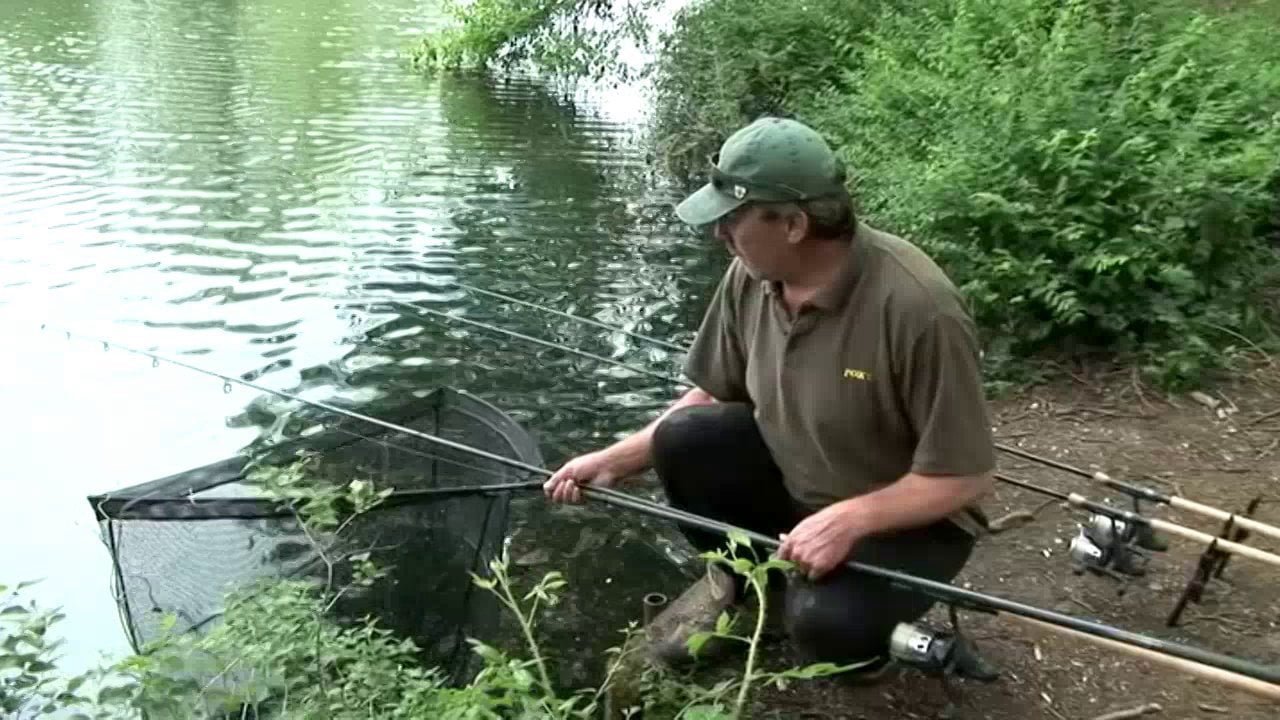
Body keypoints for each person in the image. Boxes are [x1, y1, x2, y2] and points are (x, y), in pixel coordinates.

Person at [543, 116, 996, 676]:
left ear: (794, 224)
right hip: (798, 484)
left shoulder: (920, 310)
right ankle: (751, 594)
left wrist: (848, 521)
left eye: (733, 218)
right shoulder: (750, 275)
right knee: (682, 438)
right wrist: (612, 461)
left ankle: (860, 646)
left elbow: (964, 478)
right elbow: (712, 394)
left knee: (824, 626)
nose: (719, 234)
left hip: (911, 523)